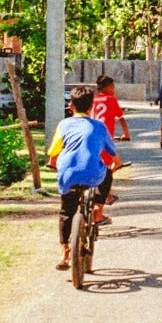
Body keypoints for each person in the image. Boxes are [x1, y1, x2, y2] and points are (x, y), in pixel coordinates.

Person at [47, 84, 123, 271]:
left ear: (71, 106)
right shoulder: (99, 126)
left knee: (66, 212)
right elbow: (113, 153)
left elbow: (53, 152)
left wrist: (53, 164)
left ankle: (64, 252)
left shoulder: (64, 125)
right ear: (91, 107)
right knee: (107, 173)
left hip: (68, 174)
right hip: (93, 174)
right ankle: (98, 209)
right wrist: (116, 164)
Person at [90, 75, 132, 143]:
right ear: (107, 87)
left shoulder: (93, 99)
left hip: (92, 136)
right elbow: (120, 118)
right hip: (106, 138)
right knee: (114, 153)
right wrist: (126, 135)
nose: (113, 90)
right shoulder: (111, 99)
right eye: (112, 87)